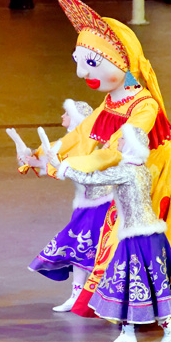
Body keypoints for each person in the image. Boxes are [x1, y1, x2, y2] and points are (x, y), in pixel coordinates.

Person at [14, 0, 171, 327]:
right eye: (77, 61)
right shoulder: (110, 102)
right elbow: (78, 137)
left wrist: (68, 166)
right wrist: (39, 157)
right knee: (108, 237)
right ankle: (136, 308)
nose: (80, 73)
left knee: (146, 242)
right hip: (123, 178)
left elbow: (119, 148)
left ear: (122, 63)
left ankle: (153, 310)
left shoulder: (143, 106)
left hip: (156, 175)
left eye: (92, 63)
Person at [60, 125, 171, 342]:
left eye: (121, 140)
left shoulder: (127, 171)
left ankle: (170, 330)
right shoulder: (140, 169)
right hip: (147, 235)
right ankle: (128, 332)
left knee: (144, 283)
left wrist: (63, 167)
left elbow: (92, 180)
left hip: (140, 237)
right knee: (130, 283)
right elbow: (98, 189)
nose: (117, 143)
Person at [18, 99, 114, 312]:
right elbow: (48, 163)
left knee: (92, 250)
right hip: (85, 205)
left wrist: (53, 165)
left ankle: (99, 296)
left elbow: (74, 169)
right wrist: (28, 159)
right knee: (80, 249)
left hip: (101, 206)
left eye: (66, 113)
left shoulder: (89, 145)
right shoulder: (68, 142)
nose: (62, 117)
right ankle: (78, 295)